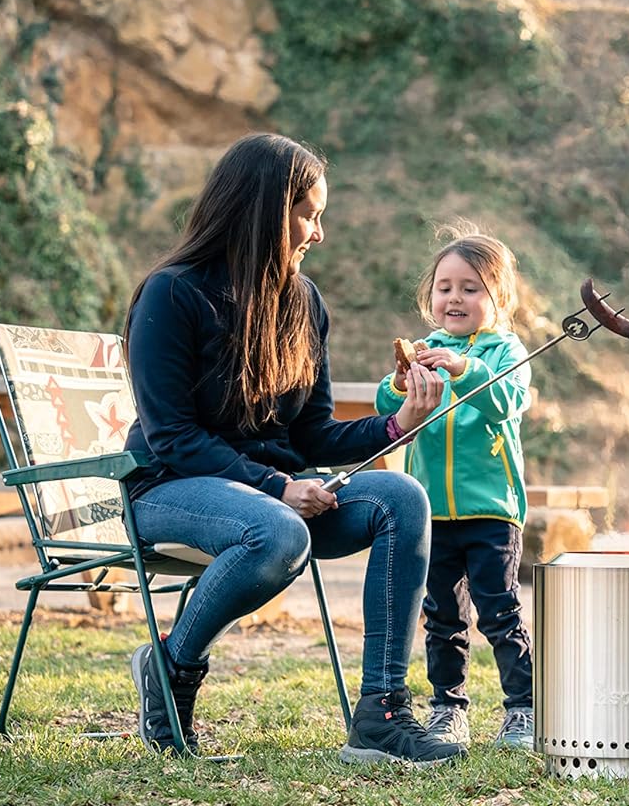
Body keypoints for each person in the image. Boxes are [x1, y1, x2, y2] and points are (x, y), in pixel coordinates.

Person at [123, 132, 464, 766]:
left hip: (268, 496)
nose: (318, 232)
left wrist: (398, 426)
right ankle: (174, 668)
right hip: (169, 488)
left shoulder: (303, 303)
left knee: (401, 497)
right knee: (279, 532)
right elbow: (172, 435)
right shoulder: (172, 294)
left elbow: (313, 436)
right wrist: (276, 487)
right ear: (263, 210)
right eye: (309, 214)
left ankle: (382, 714)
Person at [374, 227, 534, 750]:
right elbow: (383, 406)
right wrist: (400, 383)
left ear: (498, 297)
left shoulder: (505, 350)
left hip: (490, 510)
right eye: (445, 287)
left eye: (471, 287)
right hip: (430, 511)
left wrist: (466, 369)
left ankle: (524, 709)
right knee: (442, 616)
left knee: (499, 610)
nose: (455, 298)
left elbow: (506, 402)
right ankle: (448, 708)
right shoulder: (426, 350)